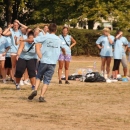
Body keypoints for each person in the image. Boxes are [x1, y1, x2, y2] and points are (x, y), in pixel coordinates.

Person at [27, 23, 65, 102]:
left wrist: (23, 40)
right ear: (56, 30)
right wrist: (64, 52)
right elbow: (63, 48)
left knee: (38, 76)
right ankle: (42, 96)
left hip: (44, 60)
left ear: (48, 29)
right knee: (47, 80)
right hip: (53, 62)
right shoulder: (58, 39)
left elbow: (33, 40)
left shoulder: (45, 37)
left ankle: (35, 89)